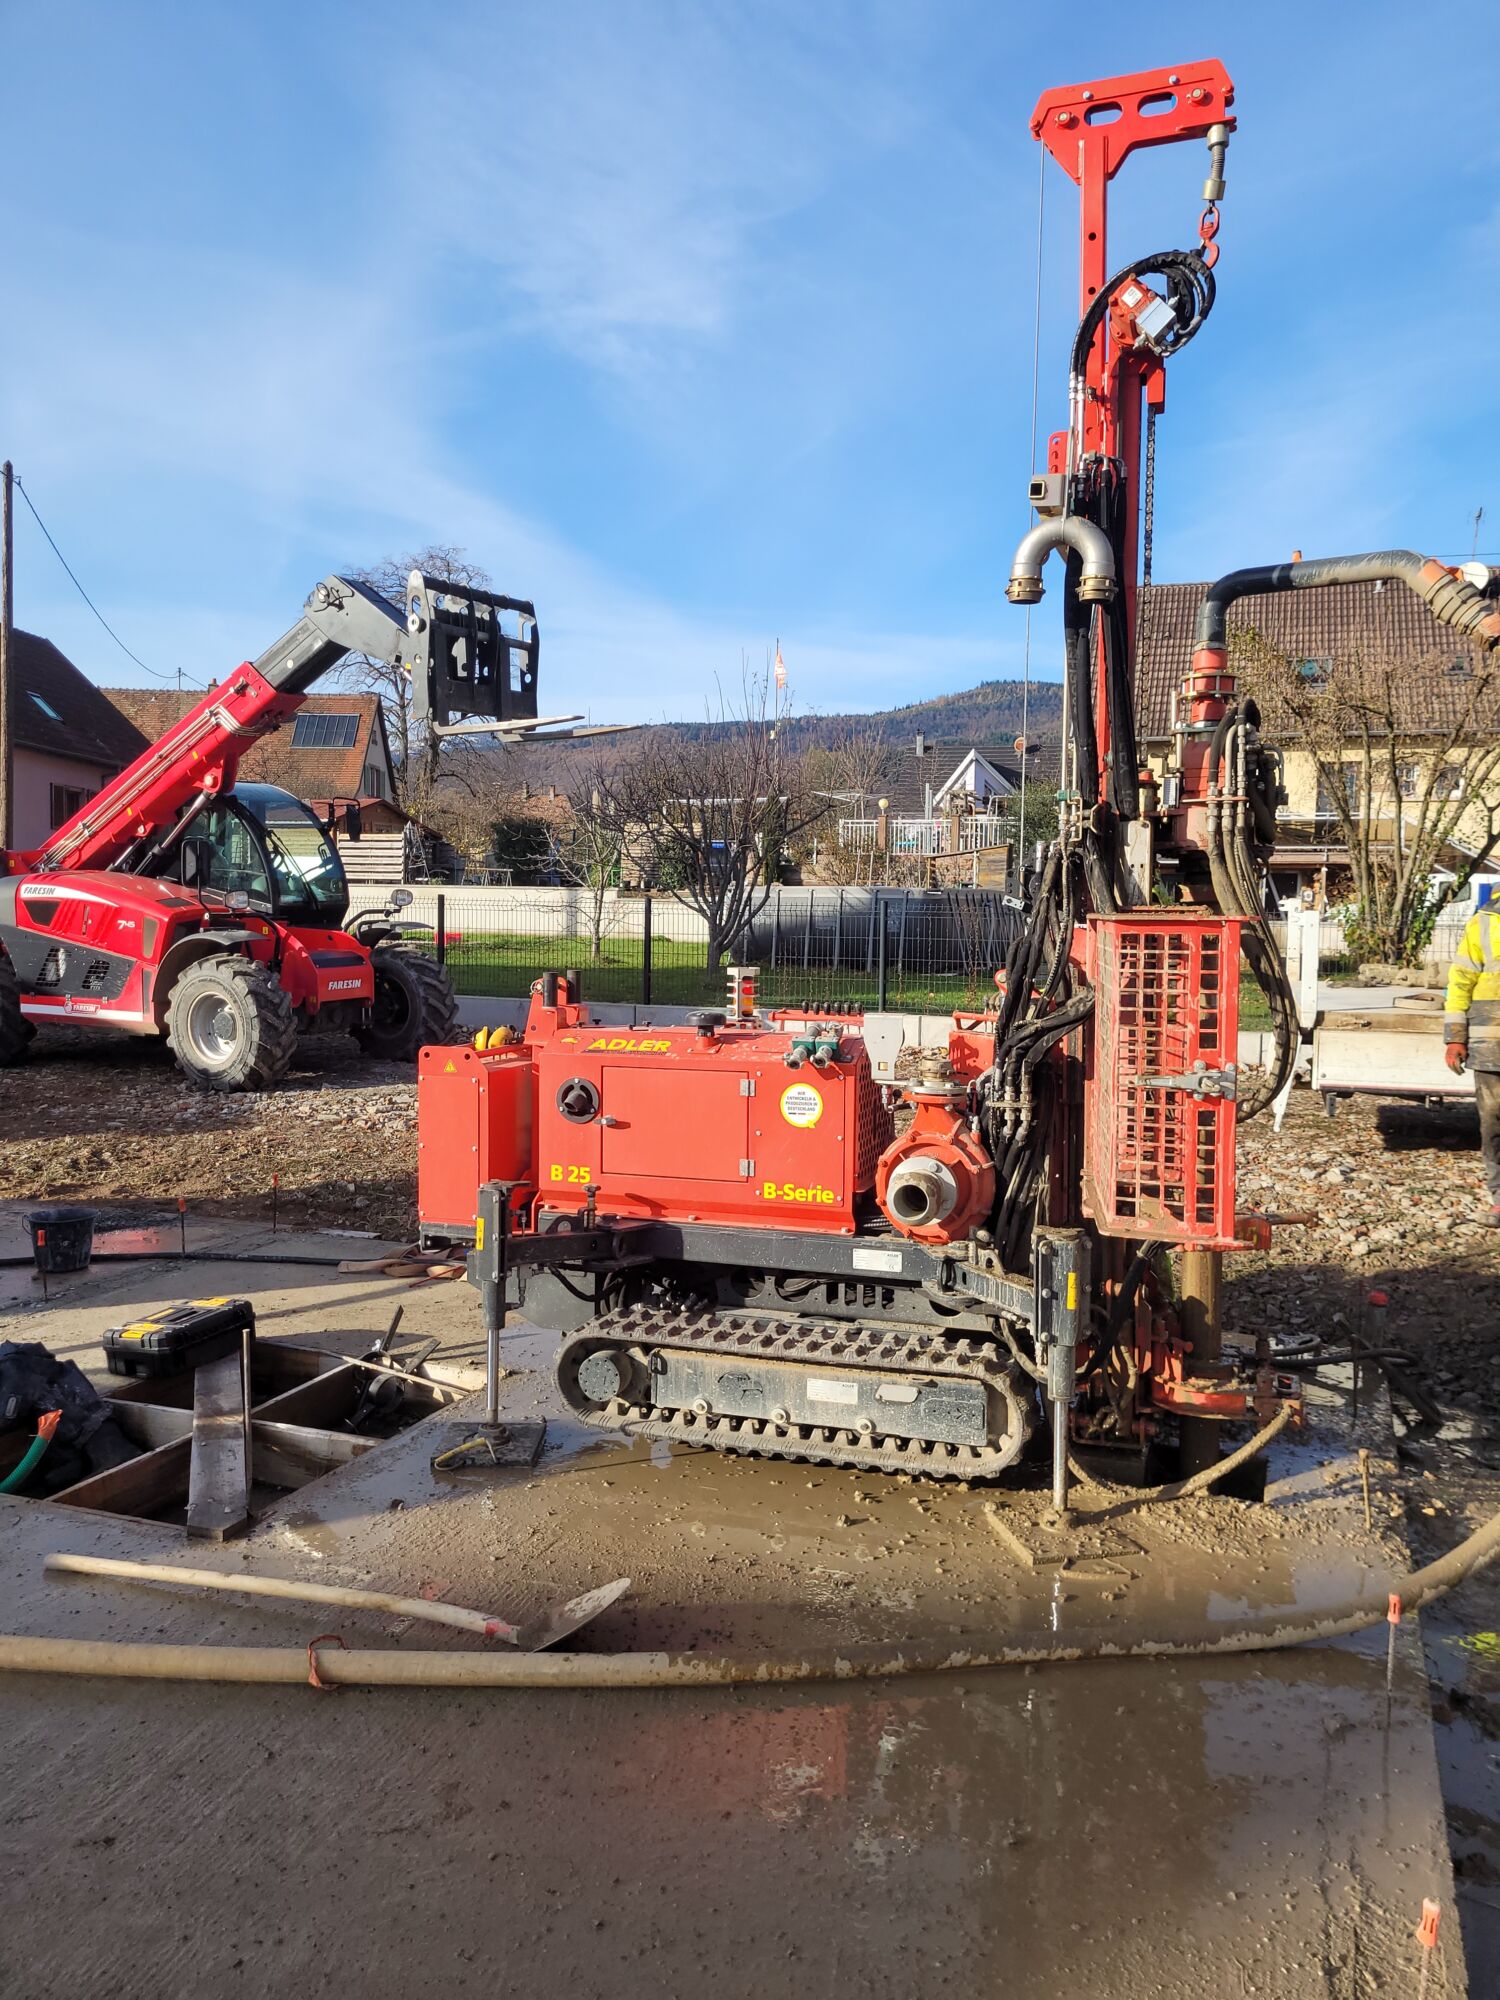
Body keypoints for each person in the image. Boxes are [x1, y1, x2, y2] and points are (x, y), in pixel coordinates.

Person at [1444, 899, 1500, 1224]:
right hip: (1492, 1044)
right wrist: (1455, 1036)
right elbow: (1460, 981)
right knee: (1494, 1125)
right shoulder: (1485, 921)